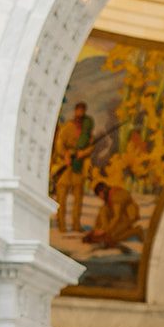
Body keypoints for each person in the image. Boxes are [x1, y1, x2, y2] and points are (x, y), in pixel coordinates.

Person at [51, 100, 94, 234]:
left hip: (78, 168)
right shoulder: (67, 127)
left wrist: (83, 153)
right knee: (61, 198)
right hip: (66, 166)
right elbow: (59, 144)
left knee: (78, 199)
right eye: (78, 110)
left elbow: (91, 146)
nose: (80, 113)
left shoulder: (86, 131)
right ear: (75, 111)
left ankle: (76, 225)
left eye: (82, 111)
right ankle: (62, 225)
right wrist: (66, 155)